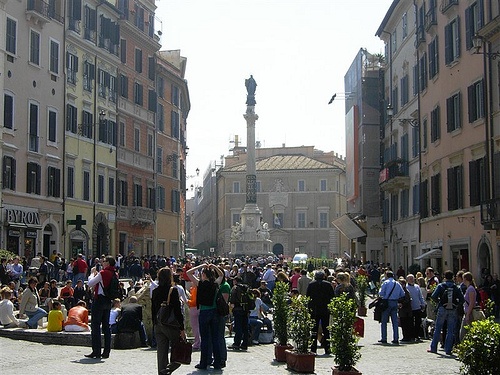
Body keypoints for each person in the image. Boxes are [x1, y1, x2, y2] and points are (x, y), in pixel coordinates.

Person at [187, 263, 224, 370]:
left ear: (203, 275)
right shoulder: (215, 284)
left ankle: (203, 363)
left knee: (205, 339)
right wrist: (215, 267)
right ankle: (217, 362)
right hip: (214, 313)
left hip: (204, 312)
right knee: (215, 338)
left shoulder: (200, 284)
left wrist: (201, 266)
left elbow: (188, 273)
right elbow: (221, 275)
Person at [152, 267, 185, 375]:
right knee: (179, 350)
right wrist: (182, 327)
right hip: (170, 324)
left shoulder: (155, 291)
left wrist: (155, 324)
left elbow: (153, 309)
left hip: (158, 324)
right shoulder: (173, 290)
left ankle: (162, 372)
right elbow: (177, 310)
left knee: (161, 354)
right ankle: (167, 369)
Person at [86, 255, 117, 359]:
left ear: (107, 263)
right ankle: (106, 351)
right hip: (108, 300)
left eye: (104, 261)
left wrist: (91, 274)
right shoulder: (114, 273)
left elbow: (90, 283)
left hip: (99, 300)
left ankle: (96, 351)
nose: (102, 263)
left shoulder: (103, 272)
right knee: (106, 326)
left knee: (95, 326)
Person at [428, 270, 465, 355]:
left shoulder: (441, 286)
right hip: (452, 309)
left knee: (438, 328)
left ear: (444, 277)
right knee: (450, 330)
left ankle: (434, 347)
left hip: (442, 308)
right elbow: (462, 300)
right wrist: (455, 304)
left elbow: (433, 296)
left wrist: (439, 302)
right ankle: (448, 349)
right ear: (452, 277)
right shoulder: (456, 287)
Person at [307, 270, 335, 354]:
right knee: (326, 329)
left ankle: (313, 349)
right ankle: (327, 348)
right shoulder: (328, 284)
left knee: (314, 330)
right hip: (325, 309)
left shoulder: (311, 284)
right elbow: (332, 296)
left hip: (314, 309)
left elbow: (308, 296)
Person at [378, 270, 405, 344]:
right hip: (395, 302)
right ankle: (396, 338)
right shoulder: (397, 283)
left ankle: (384, 338)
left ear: (386, 275)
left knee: (384, 321)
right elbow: (402, 294)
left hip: (387, 302)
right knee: (395, 321)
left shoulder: (385, 283)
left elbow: (381, 293)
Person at [406, 274, 426, 342]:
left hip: (417, 307)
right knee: (410, 322)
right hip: (410, 308)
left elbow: (420, 296)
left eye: (413, 278)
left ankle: (417, 336)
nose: (412, 280)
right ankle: (411, 336)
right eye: (410, 279)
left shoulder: (417, 287)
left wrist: (423, 304)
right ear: (407, 280)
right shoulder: (406, 287)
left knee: (418, 322)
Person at [459, 272, 477, 341]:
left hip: (469, 313)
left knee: (463, 333)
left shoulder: (471, 289)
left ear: (465, 279)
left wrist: (468, 315)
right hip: (467, 312)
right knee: (466, 333)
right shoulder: (469, 288)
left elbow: (472, 303)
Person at [397, 277, 413, 342]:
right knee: (403, 324)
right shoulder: (401, 291)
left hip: (406, 311)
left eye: (400, 284)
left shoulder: (405, 291)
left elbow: (407, 300)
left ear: (403, 285)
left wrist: (401, 304)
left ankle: (407, 337)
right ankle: (405, 336)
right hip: (403, 311)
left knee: (405, 324)